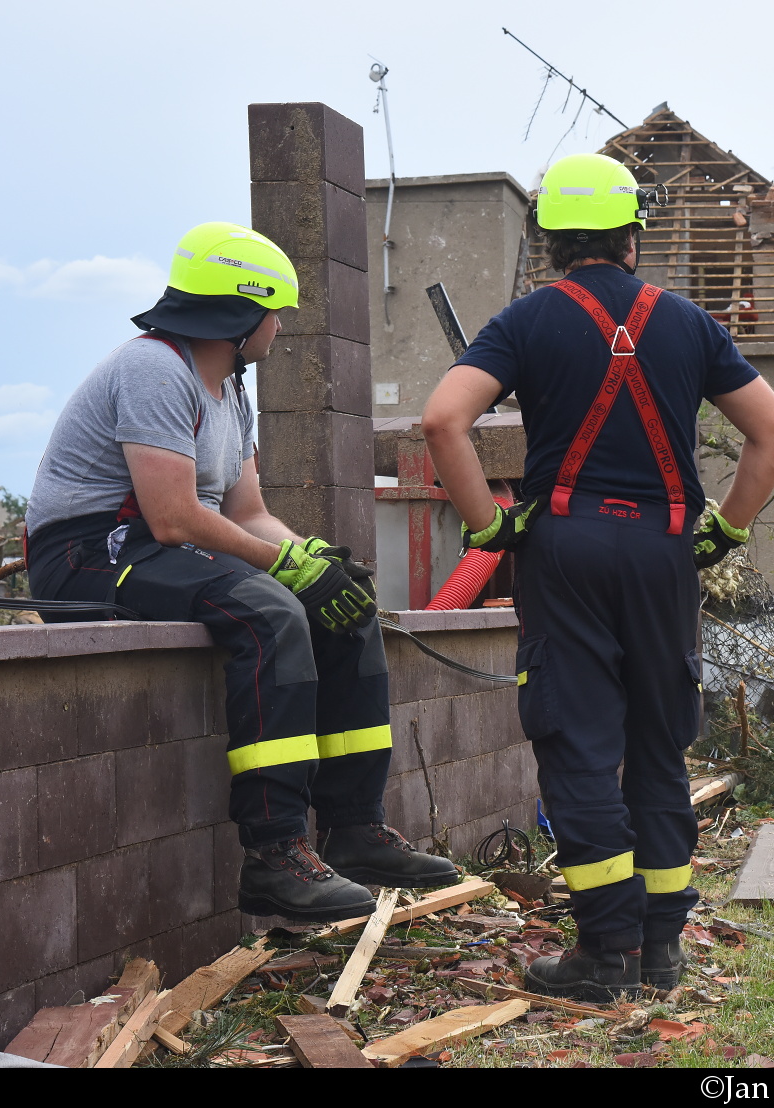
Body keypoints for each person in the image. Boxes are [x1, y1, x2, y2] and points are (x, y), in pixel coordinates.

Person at [421, 153, 774, 1001]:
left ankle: (604, 956)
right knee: (658, 748)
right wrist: (725, 531)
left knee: (582, 750)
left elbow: (445, 419)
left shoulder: (524, 321)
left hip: (565, 553)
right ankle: (662, 952)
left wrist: (489, 526)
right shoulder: (690, 323)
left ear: (551, 238)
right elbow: (772, 432)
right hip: (665, 552)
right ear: (633, 233)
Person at [26, 222, 458, 923]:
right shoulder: (153, 369)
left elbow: (247, 512)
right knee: (271, 613)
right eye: (275, 312)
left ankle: (354, 828)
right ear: (242, 311)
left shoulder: (230, 391)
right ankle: (275, 855)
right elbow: (170, 516)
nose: (279, 327)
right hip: (88, 554)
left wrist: (311, 562)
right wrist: (285, 570)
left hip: (160, 546)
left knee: (339, 607)